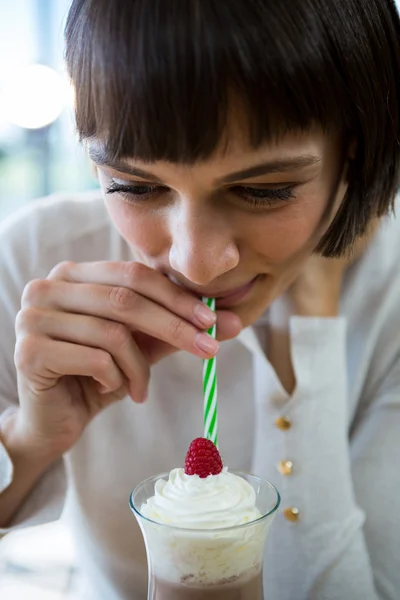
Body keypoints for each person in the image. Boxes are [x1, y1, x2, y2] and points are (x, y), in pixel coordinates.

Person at [1, 0, 400, 598]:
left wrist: (310, 330)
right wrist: (32, 440)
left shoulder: (391, 294)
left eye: (265, 191)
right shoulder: (38, 258)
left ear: (355, 153)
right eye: (134, 186)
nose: (197, 261)